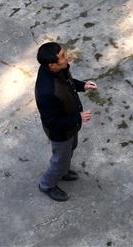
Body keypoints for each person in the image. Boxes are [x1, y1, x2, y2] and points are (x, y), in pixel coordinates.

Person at [35, 42, 98, 202]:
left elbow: (68, 84)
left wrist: (82, 85)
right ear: (52, 65)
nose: (66, 57)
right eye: (62, 56)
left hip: (70, 124)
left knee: (72, 147)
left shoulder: (59, 70)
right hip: (61, 132)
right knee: (60, 161)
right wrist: (78, 118)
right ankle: (47, 184)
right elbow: (52, 123)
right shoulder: (47, 92)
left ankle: (63, 171)